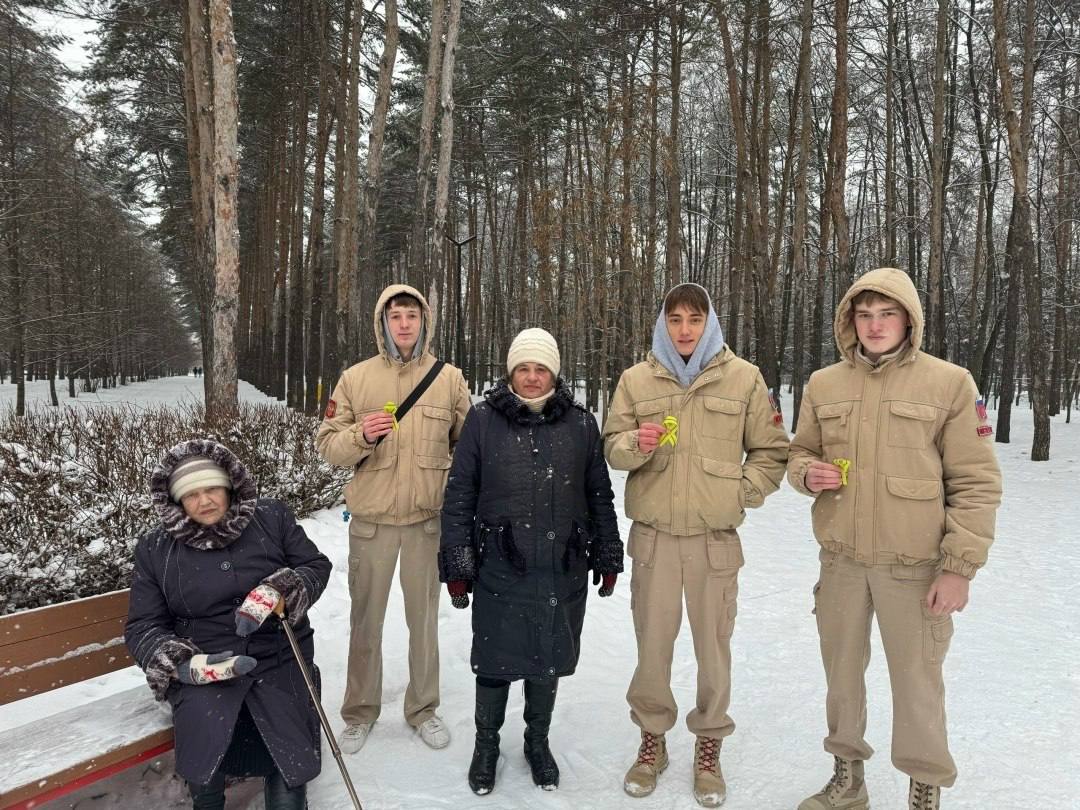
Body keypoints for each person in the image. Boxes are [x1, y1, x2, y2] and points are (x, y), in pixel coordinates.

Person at [787, 267, 1002, 810]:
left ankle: (923, 787)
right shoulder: (824, 384)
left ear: (910, 320)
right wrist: (807, 473)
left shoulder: (949, 383)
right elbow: (800, 453)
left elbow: (976, 482)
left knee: (917, 683)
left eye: (887, 314)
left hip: (915, 567)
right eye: (864, 315)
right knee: (841, 680)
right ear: (849, 321)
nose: (875, 325)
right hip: (841, 563)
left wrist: (959, 567)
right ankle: (848, 779)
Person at [602, 283, 789, 807]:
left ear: (710, 324)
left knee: (713, 649)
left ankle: (709, 744)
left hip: (714, 541)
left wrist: (739, 493)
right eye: (676, 319)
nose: (685, 330)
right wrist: (633, 445)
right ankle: (653, 740)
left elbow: (772, 452)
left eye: (695, 319)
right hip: (655, 540)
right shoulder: (636, 380)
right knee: (652, 649)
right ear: (663, 324)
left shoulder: (744, 378)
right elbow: (611, 448)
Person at [438, 328, 623, 795]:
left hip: (562, 564)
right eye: (523, 368)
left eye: (541, 369)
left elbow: (599, 494)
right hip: (501, 565)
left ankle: (537, 742)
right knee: (495, 658)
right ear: (511, 372)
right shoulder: (483, 420)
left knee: (549, 656)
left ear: (554, 374)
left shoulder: (580, 423)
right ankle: (486, 744)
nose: (532, 377)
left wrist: (607, 551)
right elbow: (459, 495)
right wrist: (458, 563)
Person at [125, 439, 332, 810]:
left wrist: (280, 591)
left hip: (278, 654)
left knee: (287, 749)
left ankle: (289, 797)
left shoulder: (270, 518)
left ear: (230, 486)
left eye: (212, 489)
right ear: (176, 501)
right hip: (207, 664)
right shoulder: (155, 548)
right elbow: (143, 624)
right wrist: (183, 665)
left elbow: (314, 565)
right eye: (191, 494)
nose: (204, 501)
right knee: (205, 729)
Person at [315, 283, 470, 753]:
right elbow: (328, 446)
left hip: (426, 523)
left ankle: (423, 709)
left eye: (412, 316)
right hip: (373, 524)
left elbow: (469, 446)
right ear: (382, 322)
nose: (404, 324)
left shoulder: (448, 379)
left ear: (425, 322)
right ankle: (360, 712)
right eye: (395, 316)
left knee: (424, 622)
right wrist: (360, 435)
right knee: (366, 621)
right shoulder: (355, 379)